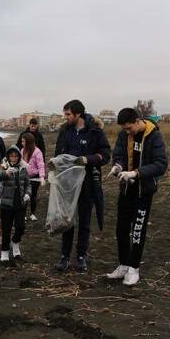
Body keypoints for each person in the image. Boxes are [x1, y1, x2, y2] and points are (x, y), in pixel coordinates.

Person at [106, 108, 168, 286]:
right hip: (126, 189)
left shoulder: (154, 136)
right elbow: (118, 153)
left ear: (138, 120)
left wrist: (136, 173)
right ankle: (124, 264)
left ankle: (134, 269)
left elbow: (161, 164)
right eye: (124, 129)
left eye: (129, 128)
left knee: (138, 231)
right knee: (121, 229)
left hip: (143, 191)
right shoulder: (123, 135)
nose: (127, 132)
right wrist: (118, 166)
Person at [53, 100, 110, 272]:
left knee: (85, 221)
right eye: (65, 114)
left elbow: (106, 155)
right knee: (68, 220)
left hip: (87, 183)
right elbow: (58, 153)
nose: (66, 117)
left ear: (78, 114)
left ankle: (80, 256)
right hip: (68, 184)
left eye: (68, 114)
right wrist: (55, 164)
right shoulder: (65, 131)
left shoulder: (95, 131)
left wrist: (88, 159)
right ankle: (64, 256)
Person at [0, 146, 31, 264]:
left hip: (20, 204)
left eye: (16, 156)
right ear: (8, 156)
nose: (14, 158)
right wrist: (5, 173)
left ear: (19, 156)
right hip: (6, 205)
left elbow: (28, 183)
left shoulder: (23, 168)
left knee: (20, 227)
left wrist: (27, 194)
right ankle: (5, 252)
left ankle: (15, 243)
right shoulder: (4, 166)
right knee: (6, 229)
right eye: (11, 156)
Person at [20, 132, 46, 222]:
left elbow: (41, 165)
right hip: (25, 176)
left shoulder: (37, 152)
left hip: (35, 177)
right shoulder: (22, 150)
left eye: (23, 141)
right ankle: (23, 215)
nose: (22, 143)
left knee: (33, 195)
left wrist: (42, 177)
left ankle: (32, 214)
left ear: (29, 142)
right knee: (24, 195)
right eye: (22, 141)